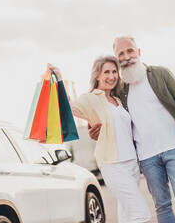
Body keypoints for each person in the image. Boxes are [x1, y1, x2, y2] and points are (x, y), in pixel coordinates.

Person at [89, 36, 175, 223]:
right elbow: (109, 116)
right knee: (162, 206)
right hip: (147, 157)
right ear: (117, 59)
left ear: (138, 52)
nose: (127, 56)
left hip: (174, 146)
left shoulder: (160, 73)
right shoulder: (119, 90)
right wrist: (93, 130)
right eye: (121, 54)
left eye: (130, 51)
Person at [47, 56, 151, 223]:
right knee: (141, 214)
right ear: (97, 76)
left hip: (131, 164)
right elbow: (70, 106)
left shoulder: (117, 100)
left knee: (127, 214)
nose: (111, 76)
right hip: (113, 165)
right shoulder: (92, 98)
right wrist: (59, 80)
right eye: (106, 72)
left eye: (114, 72)